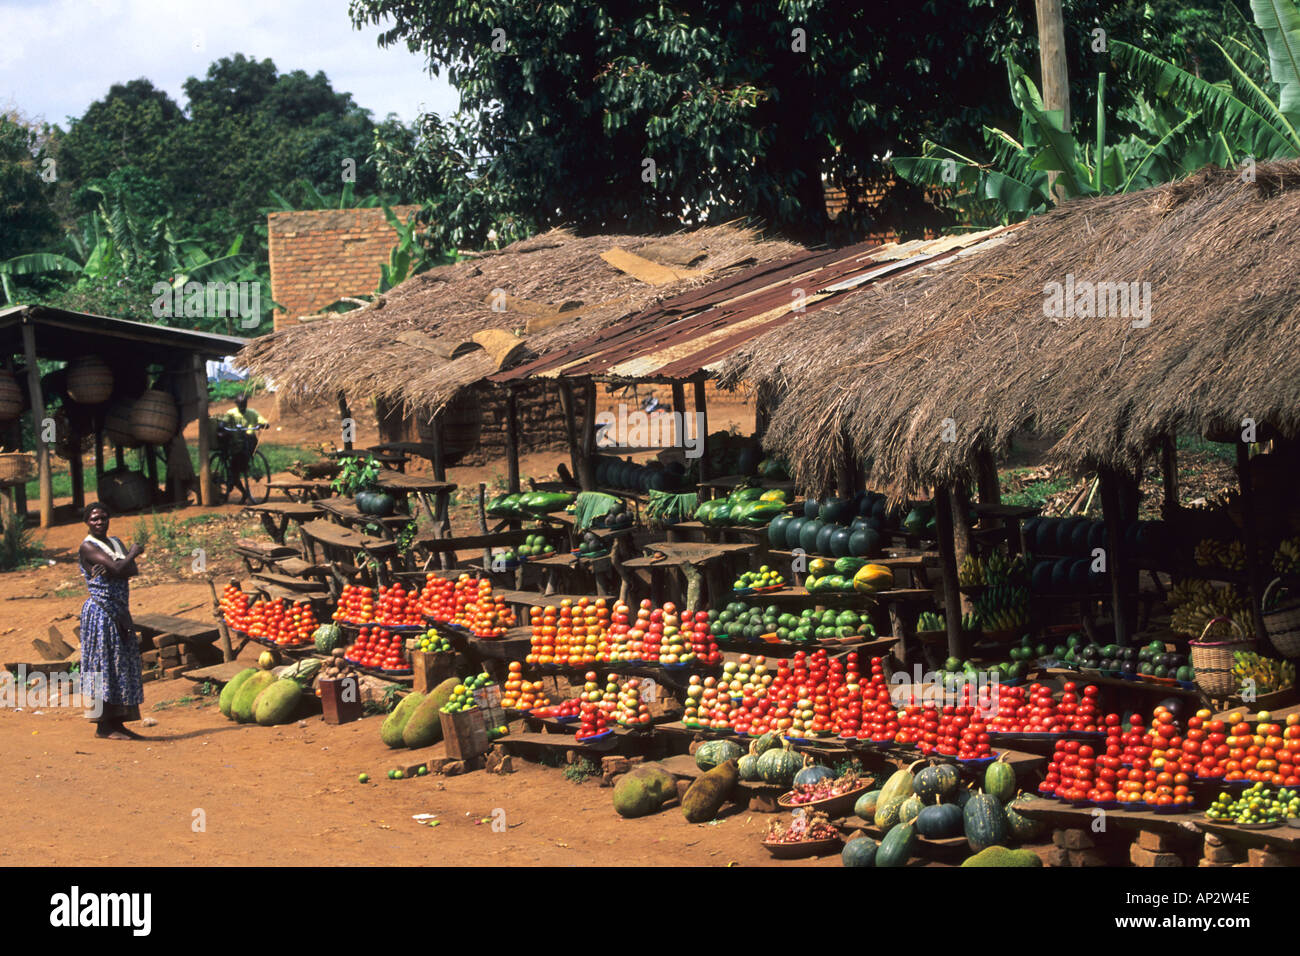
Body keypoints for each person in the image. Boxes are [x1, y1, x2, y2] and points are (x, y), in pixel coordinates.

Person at [77, 503, 145, 740]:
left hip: (120, 610)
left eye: (103, 518)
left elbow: (129, 570)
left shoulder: (115, 542)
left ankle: (118, 722)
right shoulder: (87, 546)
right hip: (101, 613)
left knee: (120, 665)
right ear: (87, 522)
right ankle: (103, 726)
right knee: (102, 666)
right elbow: (119, 567)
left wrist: (120, 565)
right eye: (94, 519)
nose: (99, 522)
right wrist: (132, 554)